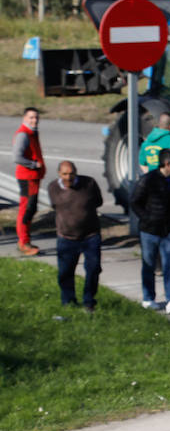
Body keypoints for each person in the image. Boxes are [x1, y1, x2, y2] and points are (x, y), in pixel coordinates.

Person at [131, 148, 170, 313]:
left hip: (169, 230)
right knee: (149, 265)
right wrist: (147, 218)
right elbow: (135, 202)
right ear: (167, 163)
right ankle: (148, 298)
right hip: (150, 231)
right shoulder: (149, 180)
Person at [47, 160, 103, 311]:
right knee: (65, 272)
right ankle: (68, 301)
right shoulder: (53, 187)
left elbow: (98, 201)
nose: (68, 177)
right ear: (59, 174)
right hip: (66, 237)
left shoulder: (89, 184)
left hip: (90, 236)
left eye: (71, 173)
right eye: (65, 174)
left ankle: (89, 301)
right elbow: (54, 205)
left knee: (93, 269)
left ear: (76, 172)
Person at [12, 106, 45, 255]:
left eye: (36, 117)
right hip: (27, 177)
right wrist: (33, 165)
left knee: (31, 209)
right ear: (24, 118)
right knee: (26, 209)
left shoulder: (32, 133)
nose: (34, 120)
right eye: (31, 117)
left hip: (33, 177)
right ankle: (23, 242)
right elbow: (17, 157)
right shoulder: (23, 134)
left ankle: (25, 240)